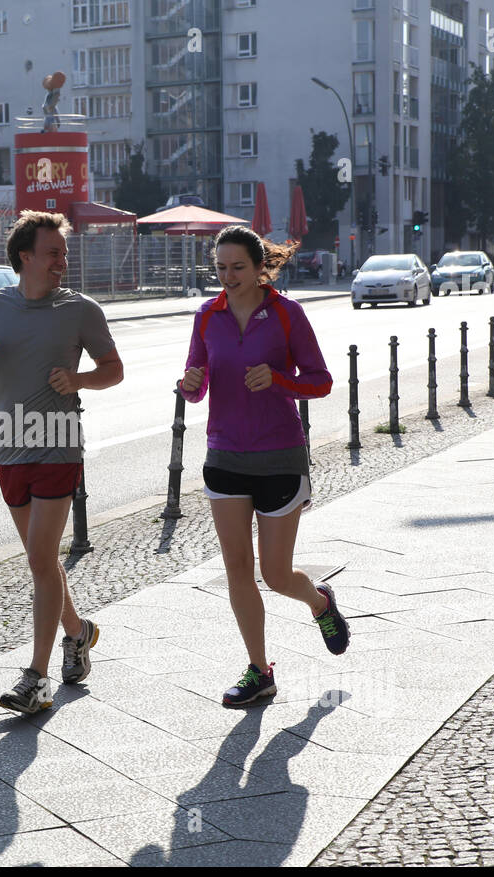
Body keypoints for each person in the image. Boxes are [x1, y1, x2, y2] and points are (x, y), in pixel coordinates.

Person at [0, 211, 124, 714]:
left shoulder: (81, 310)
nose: (62, 262)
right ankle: (79, 632)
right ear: (25, 256)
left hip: (59, 443)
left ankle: (36, 678)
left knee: (40, 561)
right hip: (10, 447)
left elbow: (113, 370)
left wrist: (80, 381)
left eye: (64, 254)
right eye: (53, 253)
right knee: (41, 562)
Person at [179, 225, 350, 708]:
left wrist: (277, 380)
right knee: (237, 568)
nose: (227, 277)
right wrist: (190, 384)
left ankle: (320, 603)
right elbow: (196, 385)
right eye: (220, 268)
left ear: (260, 269)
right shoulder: (206, 317)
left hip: (278, 456)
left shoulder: (286, 314)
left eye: (237, 268)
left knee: (275, 575)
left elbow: (320, 381)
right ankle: (260, 670)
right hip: (225, 455)